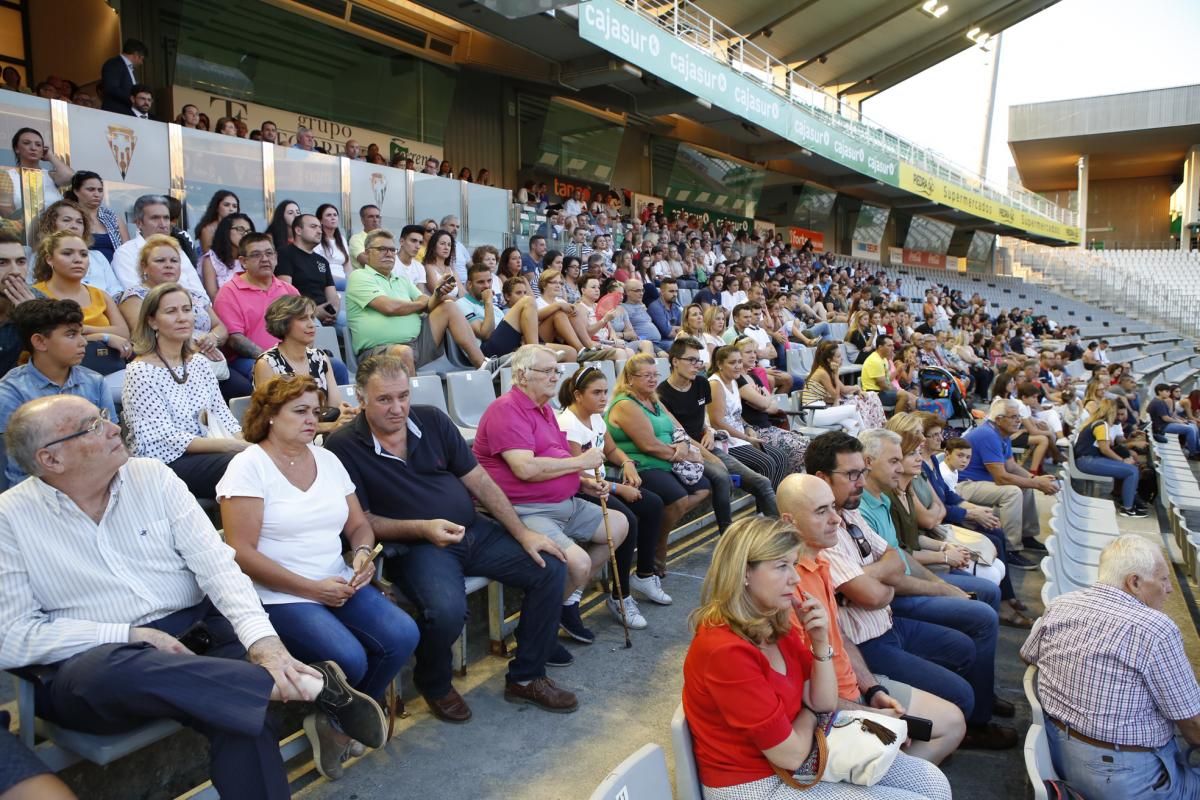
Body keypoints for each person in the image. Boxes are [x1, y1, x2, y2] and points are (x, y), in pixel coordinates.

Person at [0, 394, 388, 800]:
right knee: (106, 668)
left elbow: (219, 567)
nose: (115, 428)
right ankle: (297, 685)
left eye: (104, 417)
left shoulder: (154, 477)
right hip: (98, 663)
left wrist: (266, 645)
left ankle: (259, 684)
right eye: (94, 427)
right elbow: (10, 637)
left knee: (241, 719)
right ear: (51, 459)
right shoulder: (10, 519)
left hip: (196, 638)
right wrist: (131, 635)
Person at [324, 355, 578, 719]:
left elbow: (479, 481)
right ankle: (435, 682)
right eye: (384, 400)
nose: (397, 408)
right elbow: (362, 520)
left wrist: (522, 533)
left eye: (402, 396)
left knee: (549, 564)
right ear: (361, 397)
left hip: (473, 530)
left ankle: (526, 676)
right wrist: (422, 528)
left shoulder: (430, 419)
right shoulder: (343, 446)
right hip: (419, 547)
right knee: (445, 610)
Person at [218, 376, 418, 779]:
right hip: (279, 594)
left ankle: (336, 725)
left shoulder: (326, 458)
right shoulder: (248, 466)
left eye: (316, 410)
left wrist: (362, 557)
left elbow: (359, 526)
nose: (312, 420)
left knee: (403, 634)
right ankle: (348, 720)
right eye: (300, 411)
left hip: (338, 580)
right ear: (271, 417)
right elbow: (240, 553)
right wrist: (311, 589)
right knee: (349, 657)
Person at [681, 515, 952, 800]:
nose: (795, 578)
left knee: (932, 782)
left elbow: (822, 701)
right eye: (782, 566)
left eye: (793, 564)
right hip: (754, 783)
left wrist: (820, 642)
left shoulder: (773, 622)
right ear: (744, 573)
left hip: (801, 758)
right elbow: (790, 753)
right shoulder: (725, 650)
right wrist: (810, 714)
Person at [805, 431, 1018, 749]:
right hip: (869, 641)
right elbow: (876, 592)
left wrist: (872, 582)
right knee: (963, 691)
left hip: (887, 619)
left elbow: (895, 557)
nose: (860, 482)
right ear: (822, 478)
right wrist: (882, 587)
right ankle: (970, 720)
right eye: (851, 474)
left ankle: (974, 703)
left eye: (861, 472)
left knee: (966, 648)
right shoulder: (823, 529)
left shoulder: (848, 510)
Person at [777, 474, 966, 765]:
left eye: (832, 507)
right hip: (828, 711)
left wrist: (873, 689)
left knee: (953, 722)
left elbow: (839, 637)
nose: (835, 519)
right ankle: (892, 775)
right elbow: (805, 695)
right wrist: (872, 715)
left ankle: (890, 772)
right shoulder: (787, 587)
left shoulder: (821, 562)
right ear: (790, 522)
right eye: (820, 511)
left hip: (854, 691)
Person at [473, 345, 630, 653]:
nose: (555, 377)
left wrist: (583, 484)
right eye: (547, 371)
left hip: (564, 502)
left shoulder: (545, 409)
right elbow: (525, 468)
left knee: (620, 523)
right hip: (526, 510)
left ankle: (557, 609)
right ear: (520, 375)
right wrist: (581, 464)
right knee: (579, 564)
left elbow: (555, 458)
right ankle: (537, 627)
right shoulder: (506, 409)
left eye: (557, 371)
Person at [1022, 535, 1200, 800]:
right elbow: (1194, 726)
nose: (1169, 589)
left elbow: (1028, 655)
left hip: (1058, 753)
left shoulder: (1062, 604)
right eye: (1163, 579)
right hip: (1126, 779)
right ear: (1134, 582)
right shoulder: (1155, 630)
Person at [558, 365, 663, 625]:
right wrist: (618, 488)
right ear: (578, 395)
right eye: (596, 393)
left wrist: (626, 462)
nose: (604, 398)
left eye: (606, 391)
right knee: (628, 519)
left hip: (602, 482)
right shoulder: (568, 424)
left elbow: (612, 449)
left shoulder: (595, 417)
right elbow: (575, 473)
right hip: (582, 488)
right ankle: (620, 596)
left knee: (652, 504)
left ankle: (645, 574)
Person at [122, 282, 247, 498]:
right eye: (171, 311)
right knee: (242, 466)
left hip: (211, 449)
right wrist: (231, 446)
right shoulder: (141, 371)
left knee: (263, 458)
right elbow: (163, 437)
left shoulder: (199, 363)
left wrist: (246, 444)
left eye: (187, 310)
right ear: (152, 321)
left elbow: (222, 414)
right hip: (165, 462)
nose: (182, 318)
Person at [606, 354, 711, 577]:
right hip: (643, 463)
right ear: (630, 378)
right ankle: (658, 548)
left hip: (666, 458)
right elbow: (648, 445)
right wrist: (681, 455)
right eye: (646, 376)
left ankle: (658, 533)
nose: (653, 380)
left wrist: (683, 444)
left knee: (703, 488)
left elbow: (677, 428)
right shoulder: (626, 403)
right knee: (678, 498)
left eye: (655, 375)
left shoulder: (653, 398)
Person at [661, 339, 781, 525]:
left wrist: (708, 431)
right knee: (721, 476)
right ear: (675, 361)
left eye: (699, 361)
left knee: (763, 481)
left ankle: (776, 531)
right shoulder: (663, 393)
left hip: (708, 444)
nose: (696, 366)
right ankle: (727, 534)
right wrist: (711, 455)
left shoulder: (700, 383)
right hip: (686, 451)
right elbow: (679, 432)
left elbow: (704, 420)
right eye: (691, 360)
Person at [347, 227, 500, 372]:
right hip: (378, 351)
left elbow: (427, 303)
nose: (389, 253)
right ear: (367, 253)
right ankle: (413, 399)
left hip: (417, 343)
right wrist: (421, 303)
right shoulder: (360, 276)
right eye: (382, 249)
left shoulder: (401, 279)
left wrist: (438, 294)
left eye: (392, 250)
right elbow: (389, 307)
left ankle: (482, 365)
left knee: (449, 306)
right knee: (403, 353)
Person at [0, 299, 114, 488]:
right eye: (71, 335)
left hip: (96, 483)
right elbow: (17, 468)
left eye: (81, 333)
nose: (83, 342)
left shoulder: (95, 382)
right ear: (39, 341)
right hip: (39, 494)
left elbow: (110, 442)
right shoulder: (11, 393)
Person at [955, 398, 1058, 570]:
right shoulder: (988, 435)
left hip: (980, 482)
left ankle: (1026, 535)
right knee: (1012, 492)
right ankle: (1010, 548)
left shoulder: (1002, 433)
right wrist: (1038, 484)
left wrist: (1034, 480)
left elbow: (1011, 466)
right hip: (964, 485)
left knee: (1025, 486)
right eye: (1013, 417)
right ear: (998, 419)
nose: (1019, 420)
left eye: (1018, 416)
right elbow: (1001, 477)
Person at [32, 230, 132, 371]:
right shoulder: (36, 294)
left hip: (108, 367)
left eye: (84, 254)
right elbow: (49, 340)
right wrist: (104, 337)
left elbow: (123, 333)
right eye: (67, 253)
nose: (78, 259)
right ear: (49, 259)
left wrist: (85, 330)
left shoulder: (100, 294)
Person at [457, 261, 559, 361]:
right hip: (486, 353)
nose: (487, 286)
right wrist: (488, 302)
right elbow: (485, 335)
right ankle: (535, 356)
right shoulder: (462, 303)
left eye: (489, 281)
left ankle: (535, 352)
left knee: (569, 352)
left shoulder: (495, 309)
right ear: (469, 284)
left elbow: (508, 332)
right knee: (527, 300)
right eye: (481, 282)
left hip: (508, 346)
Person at [112, 195, 204, 295]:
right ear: (139, 223)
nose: (163, 224)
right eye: (155, 218)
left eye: (166, 218)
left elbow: (200, 293)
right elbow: (136, 296)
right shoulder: (125, 253)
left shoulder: (177, 250)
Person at [33, 199, 123, 298]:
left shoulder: (98, 256)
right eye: (66, 220)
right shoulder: (37, 257)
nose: (74, 226)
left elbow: (116, 290)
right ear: (51, 225)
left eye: (79, 222)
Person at [1074, 397, 1148, 517]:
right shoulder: (1101, 425)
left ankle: (1128, 501)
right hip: (1087, 461)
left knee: (1131, 468)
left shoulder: (1098, 423)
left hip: (1087, 460)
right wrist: (1123, 461)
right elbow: (1105, 449)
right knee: (1131, 471)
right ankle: (1127, 508)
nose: (1119, 417)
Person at [276, 214, 340, 328]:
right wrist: (313, 312)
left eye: (320, 228)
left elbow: (333, 296)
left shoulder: (322, 261)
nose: (320, 231)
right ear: (298, 230)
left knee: (351, 323)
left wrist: (333, 312)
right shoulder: (284, 254)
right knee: (314, 327)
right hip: (300, 314)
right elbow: (286, 294)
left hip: (325, 312)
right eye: (313, 227)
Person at [1, 128, 72, 218]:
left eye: (38, 145)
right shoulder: (7, 176)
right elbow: (7, 214)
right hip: (23, 230)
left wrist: (51, 156)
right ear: (16, 149)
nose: (33, 148)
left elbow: (69, 177)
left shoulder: (49, 176)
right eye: (26, 143)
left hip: (55, 230)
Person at [802, 340, 868, 433]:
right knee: (853, 408)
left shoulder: (824, 370)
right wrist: (836, 374)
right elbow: (835, 396)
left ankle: (853, 446)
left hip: (819, 410)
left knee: (854, 425)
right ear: (829, 360)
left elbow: (834, 397)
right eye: (838, 356)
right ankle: (865, 436)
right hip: (812, 414)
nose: (842, 359)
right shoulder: (822, 372)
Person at [62, 171, 127, 264]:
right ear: (76, 192)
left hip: (115, 272)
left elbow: (127, 250)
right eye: (91, 189)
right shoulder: (69, 216)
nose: (97, 194)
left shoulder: (112, 217)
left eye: (100, 190)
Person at [1148, 382, 1200, 458]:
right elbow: (1165, 418)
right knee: (1190, 429)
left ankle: (1197, 449)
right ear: (1159, 392)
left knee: (1193, 426)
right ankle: (1193, 453)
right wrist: (1178, 421)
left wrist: (1181, 421)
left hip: (1164, 424)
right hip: (1162, 427)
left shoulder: (1159, 401)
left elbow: (1170, 415)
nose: (1169, 393)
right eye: (1167, 391)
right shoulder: (1158, 403)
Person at [99, 39, 146, 115]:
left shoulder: (129, 69)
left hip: (126, 114)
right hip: (115, 113)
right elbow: (111, 88)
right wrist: (135, 99)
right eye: (142, 59)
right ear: (136, 55)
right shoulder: (114, 64)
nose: (141, 63)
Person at [194, 190, 239, 257]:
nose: (231, 209)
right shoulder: (207, 230)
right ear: (217, 208)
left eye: (234, 206)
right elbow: (209, 257)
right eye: (226, 205)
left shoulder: (239, 228)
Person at [315, 203, 351, 290]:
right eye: (328, 215)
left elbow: (347, 265)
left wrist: (351, 280)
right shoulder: (316, 238)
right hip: (326, 280)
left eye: (335, 215)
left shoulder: (341, 239)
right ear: (320, 220)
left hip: (343, 280)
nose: (333, 218)